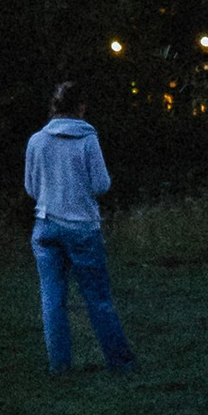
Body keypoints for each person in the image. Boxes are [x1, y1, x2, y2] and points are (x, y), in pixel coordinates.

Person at [24, 83, 135, 376]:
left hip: (45, 224)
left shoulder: (37, 141)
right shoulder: (87, 139)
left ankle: (60, 366)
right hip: (82, 226)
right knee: (98, 299)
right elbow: (101, 184)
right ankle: (120, 362)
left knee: (52, 299)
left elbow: (31, 187)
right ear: (81, 107)